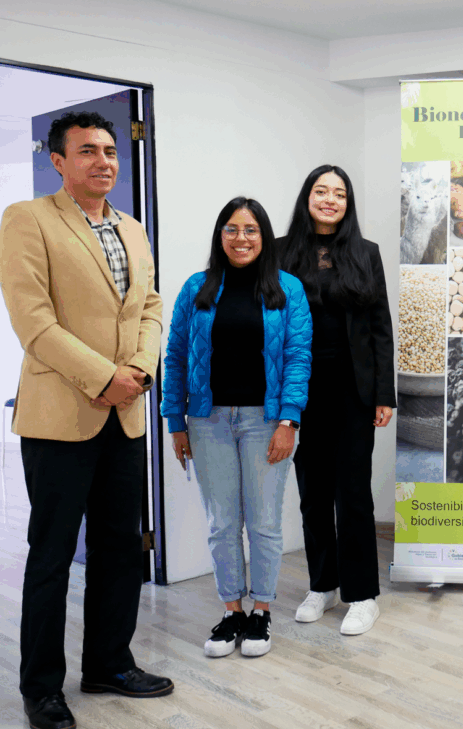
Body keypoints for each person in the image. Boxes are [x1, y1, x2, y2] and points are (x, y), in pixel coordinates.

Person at [0, 111, 171, 729]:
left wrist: (140, 371)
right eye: (88, 151)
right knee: (50, 556)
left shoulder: (133, 228)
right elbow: (33, 321)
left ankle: (108, 663)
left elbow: (150, 307)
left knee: (120, 547)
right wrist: (103, 377)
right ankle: (41, 688)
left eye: (110, 151)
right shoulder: (28, 219)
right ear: (59, 161)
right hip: (60, 418)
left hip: (125, 414)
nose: (104, 161)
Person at [162, 197, 311, 659]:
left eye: (250, 230)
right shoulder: (196, 288)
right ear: (219, 235)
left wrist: (289, 420)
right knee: (222, 523)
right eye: (231, 229)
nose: (240, 238)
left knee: (264, 523)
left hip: (266, 422)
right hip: (207, 422)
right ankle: (232, 611)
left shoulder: (287, 289)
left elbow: (298, 358)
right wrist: (175, 420)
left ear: (263, 236)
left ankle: (261, 611)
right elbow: (176, 356)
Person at [279, 165, 395, 635]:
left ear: (348, 203)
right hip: (300, 389)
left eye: (339, 193)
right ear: (307, 197)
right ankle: (322, 585)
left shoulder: (366, 253)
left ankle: (362, 595)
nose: (330, 199)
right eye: (321, 191)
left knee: (352, 494)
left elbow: (381, 327)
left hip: (353, 389)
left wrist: (384, 393)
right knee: (312, 493)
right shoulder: (280, 252)